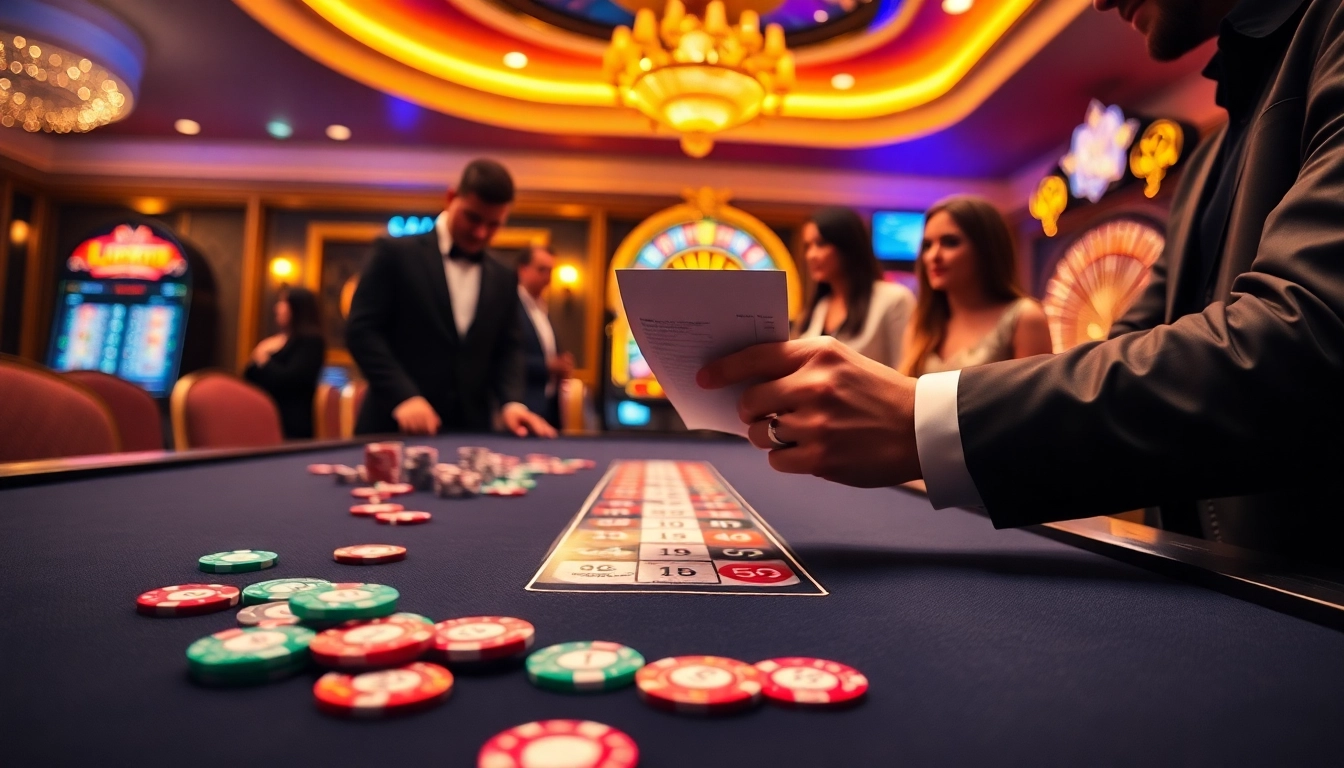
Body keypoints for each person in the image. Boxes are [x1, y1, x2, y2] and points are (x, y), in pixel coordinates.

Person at [698, 0, 1344, 567]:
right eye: (926, 246)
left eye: (949, 241)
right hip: (1211, 586)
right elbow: (1125, 349)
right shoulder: (1205, 161)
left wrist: (920, 422)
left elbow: (1306, 346)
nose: (1096, 2)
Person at [346, 159, 555, 438]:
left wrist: (511, 402)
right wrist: (404, 396)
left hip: (470, 434)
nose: (481, 232)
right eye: (473, 218)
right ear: (451, 197)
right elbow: (362, 331)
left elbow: (508, 349)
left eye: (494, 225)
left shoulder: (504, 275)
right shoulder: (393, 254)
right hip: (392, 429)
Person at [900, 196, 1052, 377]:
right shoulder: (923, 321)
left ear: (986, 250)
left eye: (950, 242)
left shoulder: (1024, 318)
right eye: (927, 245)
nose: (933, 255)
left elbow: (1036, 402)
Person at [795, 207, 914, 369]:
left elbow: (906, 370)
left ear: (848, 246)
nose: (811, 255)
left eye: (821, 244)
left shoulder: (894, 298)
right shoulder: (821, 306)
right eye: (807, 246)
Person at [244, 286, 326, 439]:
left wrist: (263, 359)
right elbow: (248, 378)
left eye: (283, 302)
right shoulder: (274, 343)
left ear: (298, 308)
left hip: (291, 427)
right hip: (259, 418)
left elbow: (291, 380)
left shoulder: (311, 342)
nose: (277, 308)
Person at [516, 245, 575, 429]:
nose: (547, 277)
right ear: (523, 270)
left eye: (551, 271)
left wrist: (562, 363)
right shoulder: (510, 307)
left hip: (549, 405)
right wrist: (547, 366)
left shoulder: (543, 308)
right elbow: (502, 359)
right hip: (521, 405)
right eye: (542, 269)